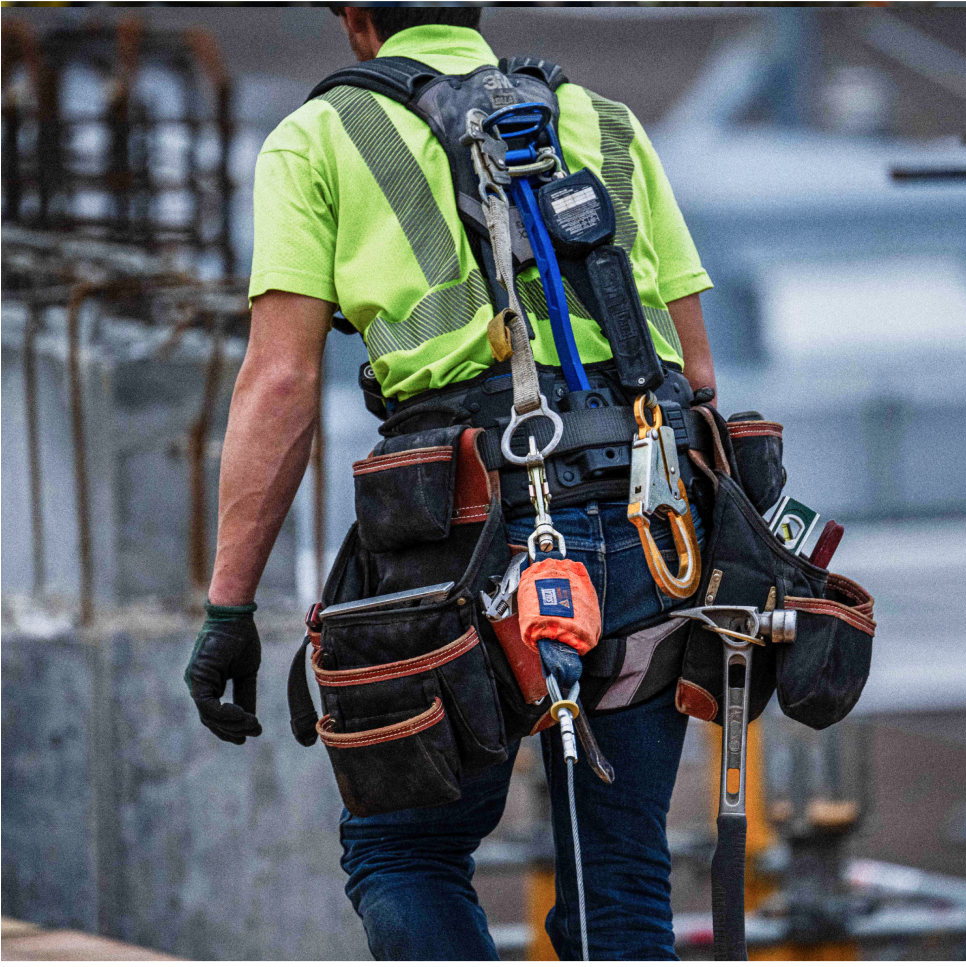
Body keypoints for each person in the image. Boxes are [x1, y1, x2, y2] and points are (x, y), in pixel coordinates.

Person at [185, 6, 718, 961]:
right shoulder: (605, 123)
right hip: (649, 526)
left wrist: (230, 608)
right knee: (621, 877)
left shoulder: (318, 137)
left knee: (406, 850)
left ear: (357, 19)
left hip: (459, 530)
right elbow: (700, 378)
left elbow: (279, 386)